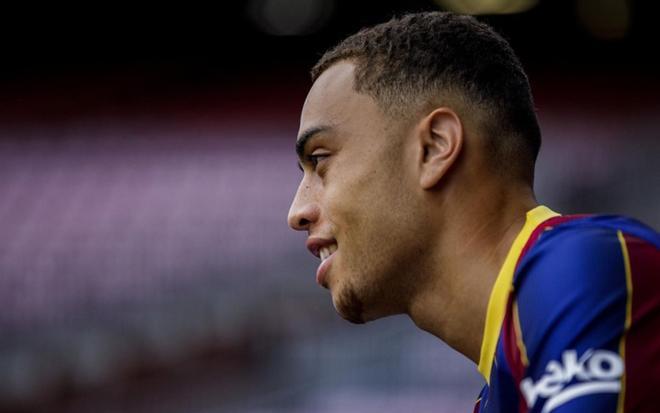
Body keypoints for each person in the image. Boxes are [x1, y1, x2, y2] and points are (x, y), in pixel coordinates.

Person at [286, 11, 660, 413]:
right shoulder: (500, 391)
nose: (297, 212)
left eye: (320, 159)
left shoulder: (586, 269)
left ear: (434, 148)